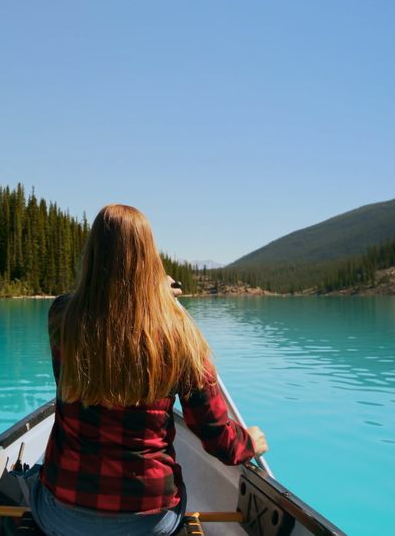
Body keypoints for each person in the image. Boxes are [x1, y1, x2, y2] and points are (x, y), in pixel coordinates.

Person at [28, 204, 268, 536]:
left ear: (93, 253)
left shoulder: (63, 317)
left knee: (31, 483)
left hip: (62, 515)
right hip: (152, 521)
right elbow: (215, 435)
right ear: (149, 258)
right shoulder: (179, 331)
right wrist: (248, 443)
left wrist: (152, 294)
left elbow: (106, 309)